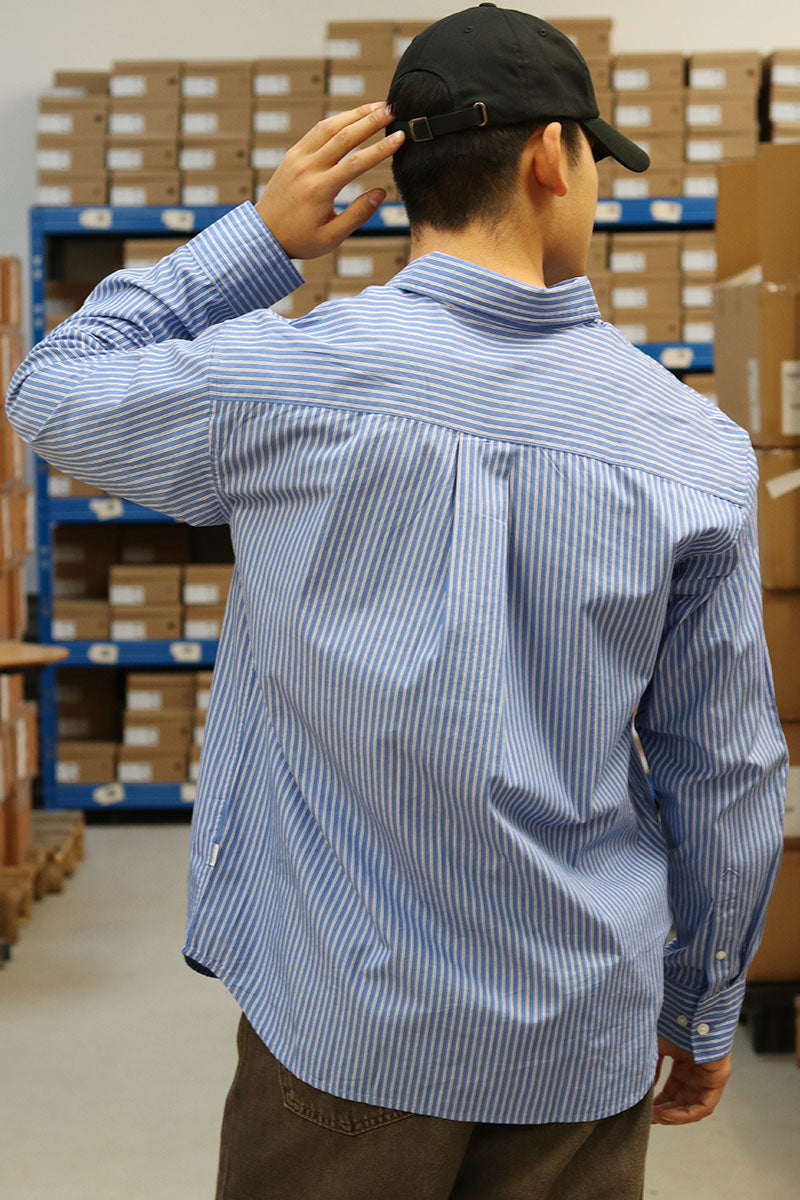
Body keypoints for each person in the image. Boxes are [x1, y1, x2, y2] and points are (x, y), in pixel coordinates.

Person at [7, 6, 787, 1198]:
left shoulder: (278, 382)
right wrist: (704, 999)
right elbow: (724, 768)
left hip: (342, 1031)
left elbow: (50, 390)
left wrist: (255, 241)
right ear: (550, 157)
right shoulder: (691, 451)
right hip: (577, 1044)